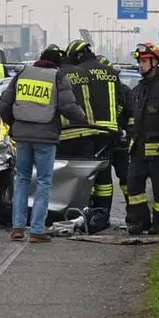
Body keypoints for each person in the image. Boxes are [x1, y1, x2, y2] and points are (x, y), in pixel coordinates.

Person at [0, 45, 87, 243]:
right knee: (44, 182)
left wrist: (13, 124)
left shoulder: (23, 73)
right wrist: (82, 117)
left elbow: (5, 103)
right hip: (45, 137)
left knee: (21, 179)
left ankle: (18, 227)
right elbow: (67, 106)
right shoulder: (57, 77)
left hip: (22, 137)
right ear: (57, 63)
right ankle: (37, 229)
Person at [66, 39, 125, 211]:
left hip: (90, 130)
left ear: (78, 54)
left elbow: (82, 101)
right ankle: (104, 213)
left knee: (89, 174)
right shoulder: (110, 72)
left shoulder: (81, 72)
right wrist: (113, 119)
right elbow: (121, 100)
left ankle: (89, 211)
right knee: (105, 175)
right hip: (110, 130)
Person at [127, 42, 159, 235]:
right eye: (139, 61)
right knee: (133, 186)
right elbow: (133, 116)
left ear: (155, 62)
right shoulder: (139, 89)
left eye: (144, 61)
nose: (140, 65)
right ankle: (140, 221)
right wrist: (130, 131)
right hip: (139, 149)